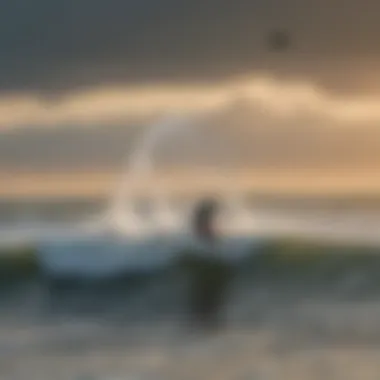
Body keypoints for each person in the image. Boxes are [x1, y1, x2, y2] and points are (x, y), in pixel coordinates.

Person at [176, 198, 234, 331]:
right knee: (207, 296)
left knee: (208, 296)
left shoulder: (206, 235)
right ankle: (206, 319)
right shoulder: (204, 236)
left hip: (208, 267)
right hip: (207, 267)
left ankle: (206, 318)